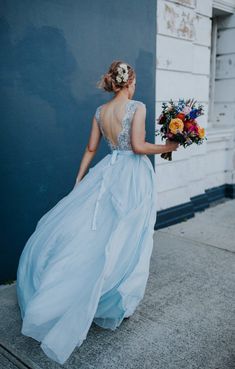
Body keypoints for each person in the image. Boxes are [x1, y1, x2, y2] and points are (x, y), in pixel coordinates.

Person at [16, 60, 179, 365]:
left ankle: (82, 288)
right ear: (128, 82)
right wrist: (169, 146)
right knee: (128, 234)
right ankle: (113, 295)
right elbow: (139, 146)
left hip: (106, 171)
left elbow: (91, 148)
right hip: (131, 175)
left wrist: (79, 181)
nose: (136, 86)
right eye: (135, 81)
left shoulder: (100, 112)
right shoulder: (137, 106)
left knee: (97, 233)